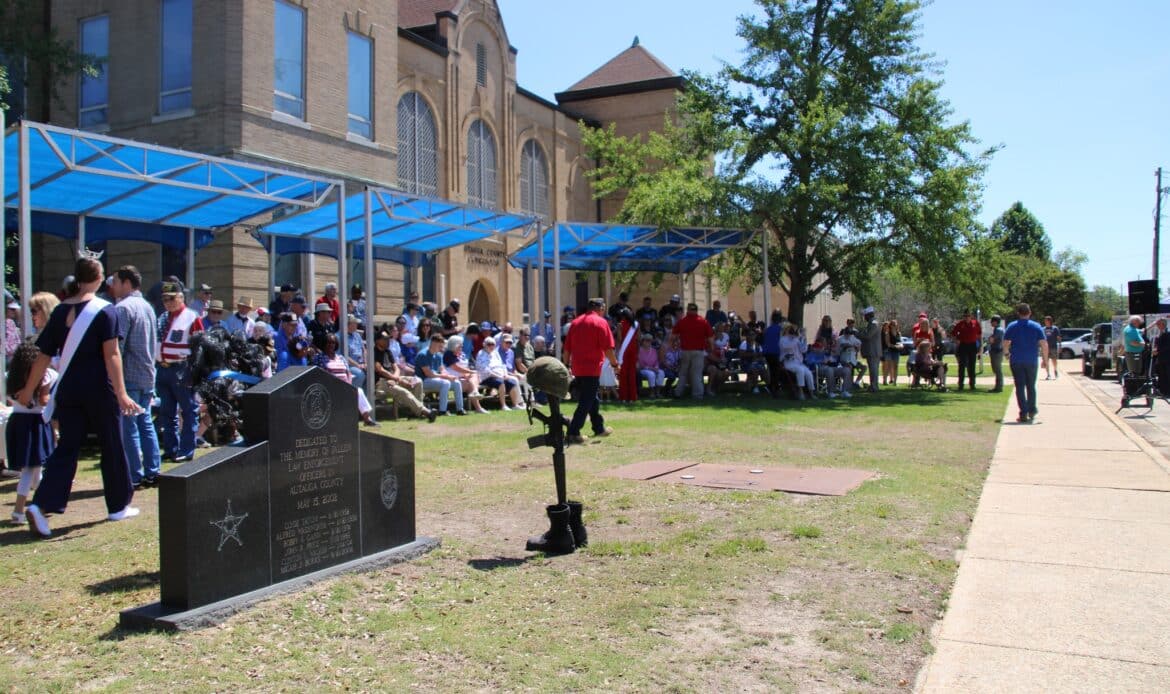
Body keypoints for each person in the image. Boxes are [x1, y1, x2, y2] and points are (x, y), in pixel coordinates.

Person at [20, 256, 142, 538]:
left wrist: (28, 389)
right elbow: (112, 355)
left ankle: (41, 504)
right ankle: (118, 506)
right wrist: (122, 393)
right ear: (98, 278)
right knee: (112, 445)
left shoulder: (60, 311)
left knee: (67, 448)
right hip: (99, 388)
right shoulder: (106, 311)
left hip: (69, 389)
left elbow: (43, 356)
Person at [108, 266, 162, 487]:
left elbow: (117, 348)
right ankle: (153, 471)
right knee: (145, 423)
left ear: (127, 283)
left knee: (129, 426)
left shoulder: (122, 308)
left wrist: (113, 378)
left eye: (116, 281)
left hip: (129, 375)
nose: (113, 286)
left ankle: (134, 475)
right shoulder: (148, 307)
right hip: (147, 374)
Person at [5, 340, 56, 524]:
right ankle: (18, 511)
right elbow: (43, 400)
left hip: (17, 422)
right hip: (35, 423)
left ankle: (43, 504)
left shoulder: (12, 375)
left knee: (35, 470)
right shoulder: (46, 374)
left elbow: (11, 399)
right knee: (30, 469)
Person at [156, 281, 204, 463]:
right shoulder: (163, 317)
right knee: (167, 412)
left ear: (181, 297)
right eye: (164, 299)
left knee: (188, 410)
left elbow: (200, 347)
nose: (168, 302)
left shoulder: (191, 317)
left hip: (182, 368)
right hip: (163, 368)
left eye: (171, 298)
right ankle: (171, 449)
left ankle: (187, 449)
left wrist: (194, 372)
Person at [563, 298, 618, 444]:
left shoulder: (575, 323)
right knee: (586, 401)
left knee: (592, 398)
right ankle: (573, 432)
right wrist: (615, 364)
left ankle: (599, 428)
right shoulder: (600, 322)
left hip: (578, 368)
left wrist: (566, 365)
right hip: (591, 368)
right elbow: (608, 348)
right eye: (604, 308)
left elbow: (567, 348)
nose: (604, 311)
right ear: (600, 308)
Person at [312, 332, 378, 426]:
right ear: (324, 344)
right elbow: (318, 375)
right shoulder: (319, 358)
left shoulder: (341, 358)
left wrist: (348, 385)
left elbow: (348, 372)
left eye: (333, 342)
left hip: (344, 387)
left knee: (358, 391)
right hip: (328, 388)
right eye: (328, 342)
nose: (331, 345)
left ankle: (367, 419)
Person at [372, 331, 436, 422]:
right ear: (378, 341)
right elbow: (380, 370)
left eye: (388, 339)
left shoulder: (387, 351)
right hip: (380, 382)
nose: (388, 341)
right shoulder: (373, 352)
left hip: (393, 379)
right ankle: (426, 412)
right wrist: (396, 379)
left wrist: (396, 379)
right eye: (385, 339)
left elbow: (396, 368)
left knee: (417, 381)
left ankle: (415, 413)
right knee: (403, 392)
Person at [1003, 302, 1048, 423]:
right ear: (1030, 313)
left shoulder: (1012, 326)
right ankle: (1032, 410)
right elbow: (1044, 344)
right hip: (1031, 360)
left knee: (1019, 386)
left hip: (1016, 360)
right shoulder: (1036, 326)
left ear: (1018, 313)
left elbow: (1006, 343)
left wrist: (1007, 354)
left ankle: (1023, 412)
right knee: (1031, 386)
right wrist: (1045, 360)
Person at [415, 334, 466, 415]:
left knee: (456, 382)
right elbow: (429, 374)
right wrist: (445, 377)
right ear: (433, 343)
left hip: (435, 379)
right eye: (440, 346)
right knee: (445, 383)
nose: (441, 348)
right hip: (423, 381)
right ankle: (442, 411)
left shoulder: (438, 355)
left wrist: (449, 376)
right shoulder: (423, 355)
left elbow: (442, 369)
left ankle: (460, 409)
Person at [672, 302, 714, 399]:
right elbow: (710, 338)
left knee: (683, 373)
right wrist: (711, 347)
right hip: (698, 351)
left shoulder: (682, 321)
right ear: (696, 310)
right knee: (697, 374)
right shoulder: (703, 321)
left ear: (688, 310)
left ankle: (678, 393)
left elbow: (673, 336)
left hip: (685, 351)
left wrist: (673, 345)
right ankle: (697, 395)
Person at [475, 336, 522, 410]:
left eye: (493, 344)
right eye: (489, 344)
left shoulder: (495, 353)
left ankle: (515, 405)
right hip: (487, 377)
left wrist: (505, 374)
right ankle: (503, 405)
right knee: (501, 382)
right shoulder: (481, 354)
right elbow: (486, 370)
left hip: (500, 375)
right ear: (484, 345)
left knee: (512, 382)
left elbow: (502, 365)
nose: (491, 346)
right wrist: (498, 376)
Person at [779, 324, 816, 400]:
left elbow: (803, 350)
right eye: (790, 329)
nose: (792, 331)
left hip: (798, 363)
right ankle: (801, 393)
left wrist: (804, 339)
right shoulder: (782, 339)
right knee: (800, 370)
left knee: (809, 373)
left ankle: (811, 393)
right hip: (788, 362)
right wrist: (797, 338)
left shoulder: (796, 339)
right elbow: (787, 347)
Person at [952, 309, 982, 390]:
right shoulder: (960, 324)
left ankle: (972, 384)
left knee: (972, 365)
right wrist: (956, 340)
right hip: (963, 345)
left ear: (971, 316)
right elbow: (953, 334)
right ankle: (960, 384)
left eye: (968, 316)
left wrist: (980, 346)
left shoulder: (975, 323)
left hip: (972, 345)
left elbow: (979, 335)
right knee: (962, 365)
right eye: (965, 316)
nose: (967, 317)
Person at [615, 308, 640, 402]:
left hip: (624, 350)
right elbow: (638, 338)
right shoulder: (636, 324)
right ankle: (632, 397)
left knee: (623, 374)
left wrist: (617, 351)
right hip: (633, 350)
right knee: (632, 374)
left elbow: (619, 338)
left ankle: (623, 397)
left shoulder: (620, 324)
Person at [761, 310, 784, 398]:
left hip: (766, 352)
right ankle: (775, 388)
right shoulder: (781, 330)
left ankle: (771, 386)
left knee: (771, 370)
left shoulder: (767, 330)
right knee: (776, 371)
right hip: (775, 352)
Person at [860, 307, 882, 393]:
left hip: (873, 351)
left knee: (873, 370)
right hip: (872, 351)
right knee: (872, 370)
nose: (864, 317)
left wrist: (858, 334)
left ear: (869, 315)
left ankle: (874, 386)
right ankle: (873, 385)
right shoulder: (872, 323)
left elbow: (868, 336)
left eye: (865, 316)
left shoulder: (873, 324)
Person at [986, 315, 1005, 393]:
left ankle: (999, 387)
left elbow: (991, 340)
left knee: (997, 369)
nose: (991, 323)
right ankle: (998, 386)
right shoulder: (998, 329)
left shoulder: (998, 330)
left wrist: (989, 339)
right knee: (996, 369)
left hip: (997, 351)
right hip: (997, 350)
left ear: (995, 322)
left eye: (992, 321)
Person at [1040, 315, 1062, 380]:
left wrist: (1060, 345)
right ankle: (1048, 374)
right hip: (1045, 347)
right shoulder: (1043, 329)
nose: (1045, 322)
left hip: (1053, 346)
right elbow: (1041, 338)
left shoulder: (1055, 328)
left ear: (1050, 321)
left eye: (1046, 320)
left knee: (1054, 360)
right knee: (1046, 361)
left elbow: (1058, 337)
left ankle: (1055, 370)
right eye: (1045, 320)